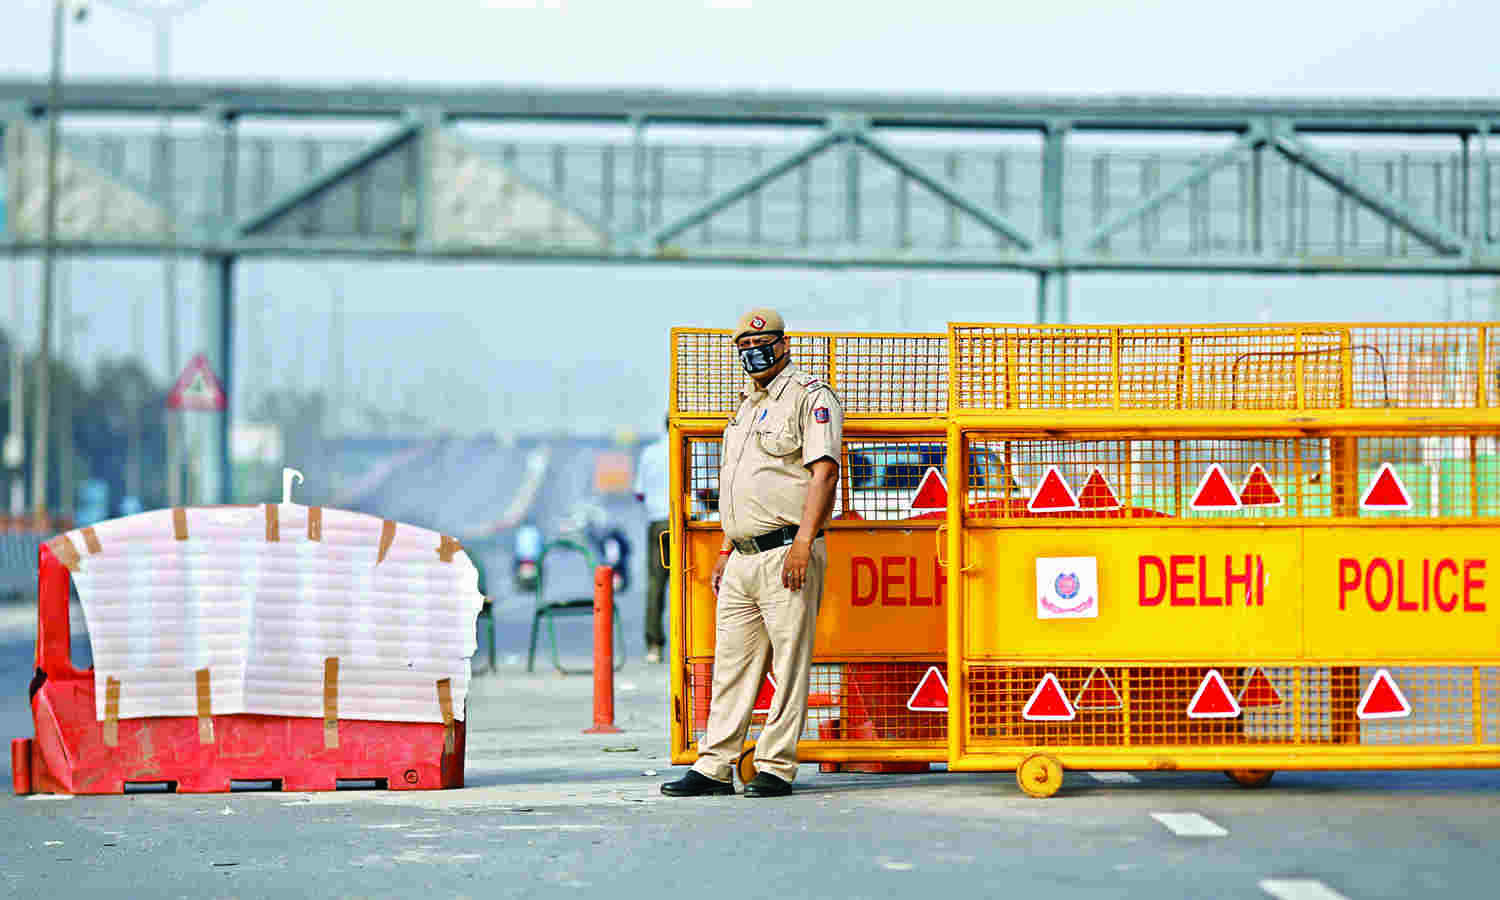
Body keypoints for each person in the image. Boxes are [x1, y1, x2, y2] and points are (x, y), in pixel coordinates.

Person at [661, 307, 842, 799]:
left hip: (788, 550)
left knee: (789, 663)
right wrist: (724, 548)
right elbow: (735, 485)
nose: (753, 351)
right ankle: (715, 764)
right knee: (733, 664)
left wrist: (804, 543)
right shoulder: (743, 407)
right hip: (741, 556)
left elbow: (824, 473)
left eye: (762, 342)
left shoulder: (809, 397)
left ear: (784, 344)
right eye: (743, 345)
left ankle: (776, 765)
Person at [634, 416, 671, 663]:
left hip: (657, 522)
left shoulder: (650, 453)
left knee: (656, 584)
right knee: (691, 582)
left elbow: (639, 492)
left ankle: (654, 645)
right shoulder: (693, 447)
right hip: (686, 523)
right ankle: (692, 638)